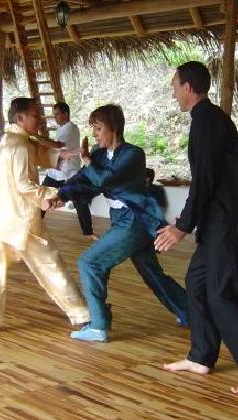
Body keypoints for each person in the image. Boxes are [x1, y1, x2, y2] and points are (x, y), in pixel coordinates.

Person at [154, 62, 238, 394]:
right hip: (218, 222)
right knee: (196, 283)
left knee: (221, 292)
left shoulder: (208, 122)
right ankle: (201, 355)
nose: (173, 92)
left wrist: (182, 226)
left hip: (229, 222)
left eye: (175, 86)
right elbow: (209, 180)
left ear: (189, 87)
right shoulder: (207, 120)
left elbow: (204, 181)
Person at [53, 104, 188, 342]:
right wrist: (59, 195)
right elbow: (84, 180)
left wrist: (85, 159)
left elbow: (107, 179)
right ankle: (191, 313)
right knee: (152, 273)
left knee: (90, 263)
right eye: (93, 129)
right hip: (121, 220)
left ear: (113, 128)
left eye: (98, 128)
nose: (94, 134)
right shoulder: (98, 155)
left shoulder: (134, 154)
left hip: (136, 219)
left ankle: (99, 325)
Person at [0, 97, 90, 334]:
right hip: (20, 222)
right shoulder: (20, 146)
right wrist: (55, 194)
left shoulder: (12, 140)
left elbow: (37, 151)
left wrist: (65, 155)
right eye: (36, 115)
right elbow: (24, 185)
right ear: (20, 118)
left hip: (1, 219)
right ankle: (82, 313)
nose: (40, 119)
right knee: (51, 264)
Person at [41, 102, 97, 240]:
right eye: (54, 114)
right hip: (55, 172)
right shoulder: (61, 128)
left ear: (66, 113)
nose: (55, 117)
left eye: (57, 114)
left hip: (69, 172)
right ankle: (36, 224)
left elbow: (57, 146)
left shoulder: (70, 128)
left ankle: (88, 232)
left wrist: (38, 138)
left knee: (80, 202)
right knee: (41, 197)